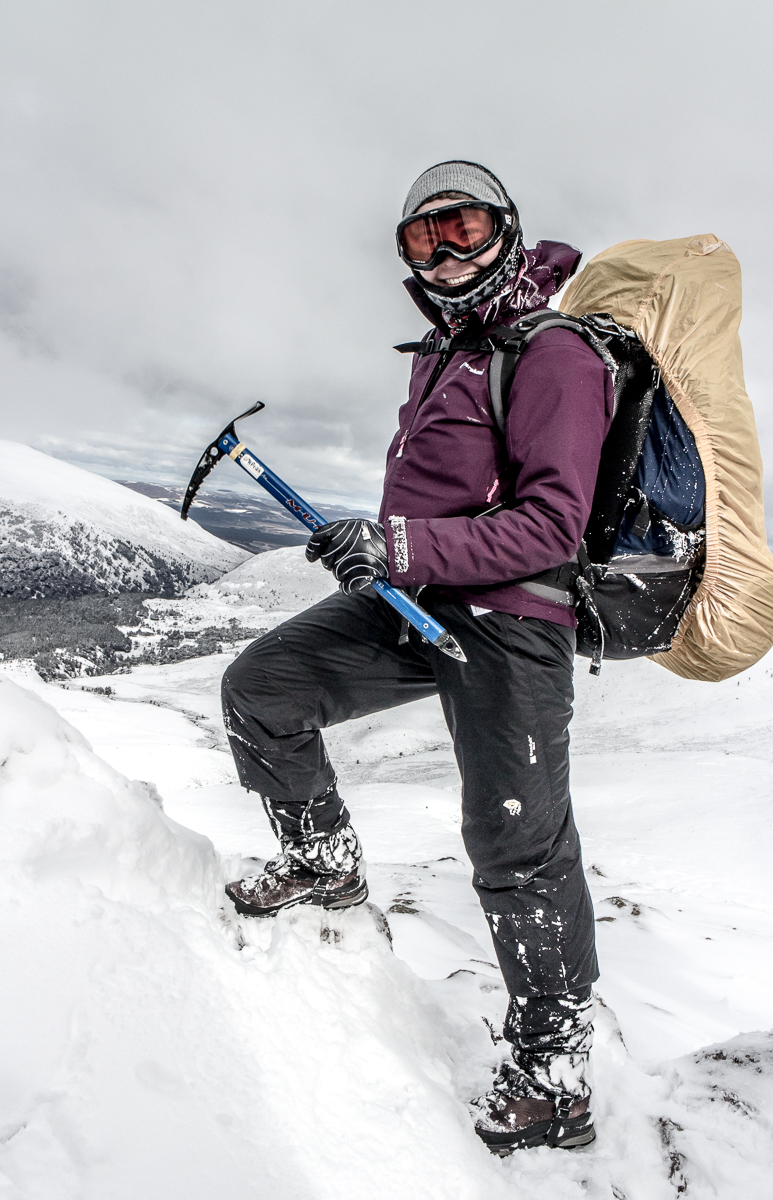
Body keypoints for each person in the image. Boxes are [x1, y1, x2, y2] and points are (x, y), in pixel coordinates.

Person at [221, 161, 614, 1154]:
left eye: (461, 228)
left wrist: (399, 545)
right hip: (416, 599)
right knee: (260, 689)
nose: (441, 253)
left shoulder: (553, 353)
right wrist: (386, 548)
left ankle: (553, 1078)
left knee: (515, 849)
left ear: (507, 233)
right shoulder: (442, 352)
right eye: (419, 240)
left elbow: (551, 524)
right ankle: (322, 864)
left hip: (513, 621)